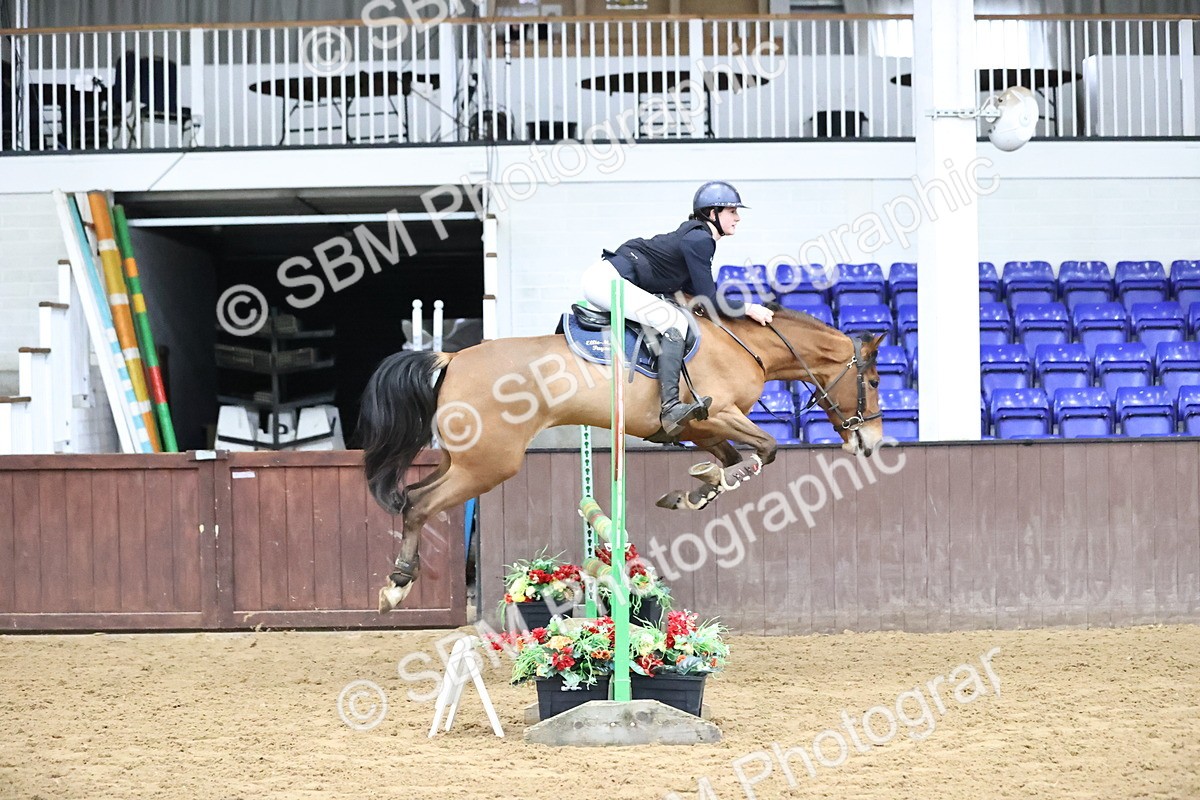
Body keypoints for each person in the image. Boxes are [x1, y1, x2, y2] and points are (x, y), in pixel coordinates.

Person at [581, 180, 775, 437]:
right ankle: (670, 406)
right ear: (712, 213)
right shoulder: (700, 239)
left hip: (608, 278)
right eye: (731, 211)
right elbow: (710, 299)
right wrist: (749, 308)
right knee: (674, 323)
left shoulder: (696, 237)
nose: (738, 218)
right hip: (607, 281)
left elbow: (695, 296)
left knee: (674, 318)